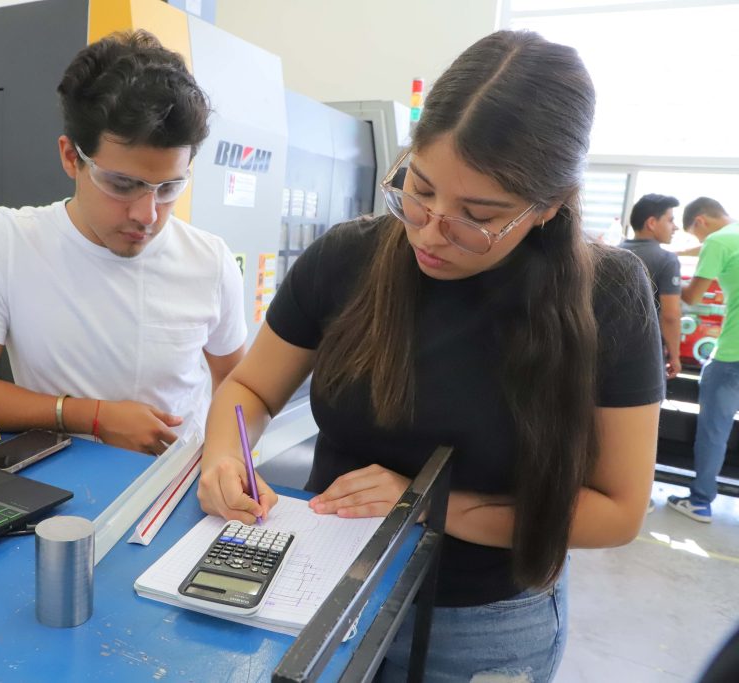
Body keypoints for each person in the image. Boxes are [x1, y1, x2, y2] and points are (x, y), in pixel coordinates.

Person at [197, 30, 663, 681]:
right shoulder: (346, 258)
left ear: (548, 207)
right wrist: (225, 453)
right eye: (418, 189)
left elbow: (617, 509)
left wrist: (427, 506)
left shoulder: (606, 295)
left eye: (478, 214)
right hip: (321, 581)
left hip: (480, 621)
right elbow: (250, 389)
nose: (430, 230)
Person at [0, 31, 246, 455]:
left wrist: (228, 459)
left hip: (176, 490)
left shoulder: (210, 261)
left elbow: (235, 382)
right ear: (70, 157)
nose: (147, 214)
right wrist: (93, 416)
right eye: (122, 184)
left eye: (169, 187)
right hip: (57, 482)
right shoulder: (7, 243)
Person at [672, 197, 739, 522]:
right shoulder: (732, 236)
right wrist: (677, 253)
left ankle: (700, 502)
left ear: (700, 221)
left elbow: (692, 297)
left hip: (732, 355)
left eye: (695, 236)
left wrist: (665, 277)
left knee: (715, 429)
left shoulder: (716, 240)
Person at [620, 193, 682, 379]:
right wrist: (675, 355)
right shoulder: (666, 260)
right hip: (645, 353)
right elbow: (670, 315)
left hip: (606, 347)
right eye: (670, 220)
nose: (675, 227)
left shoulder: (613, 252)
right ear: (652, 223)